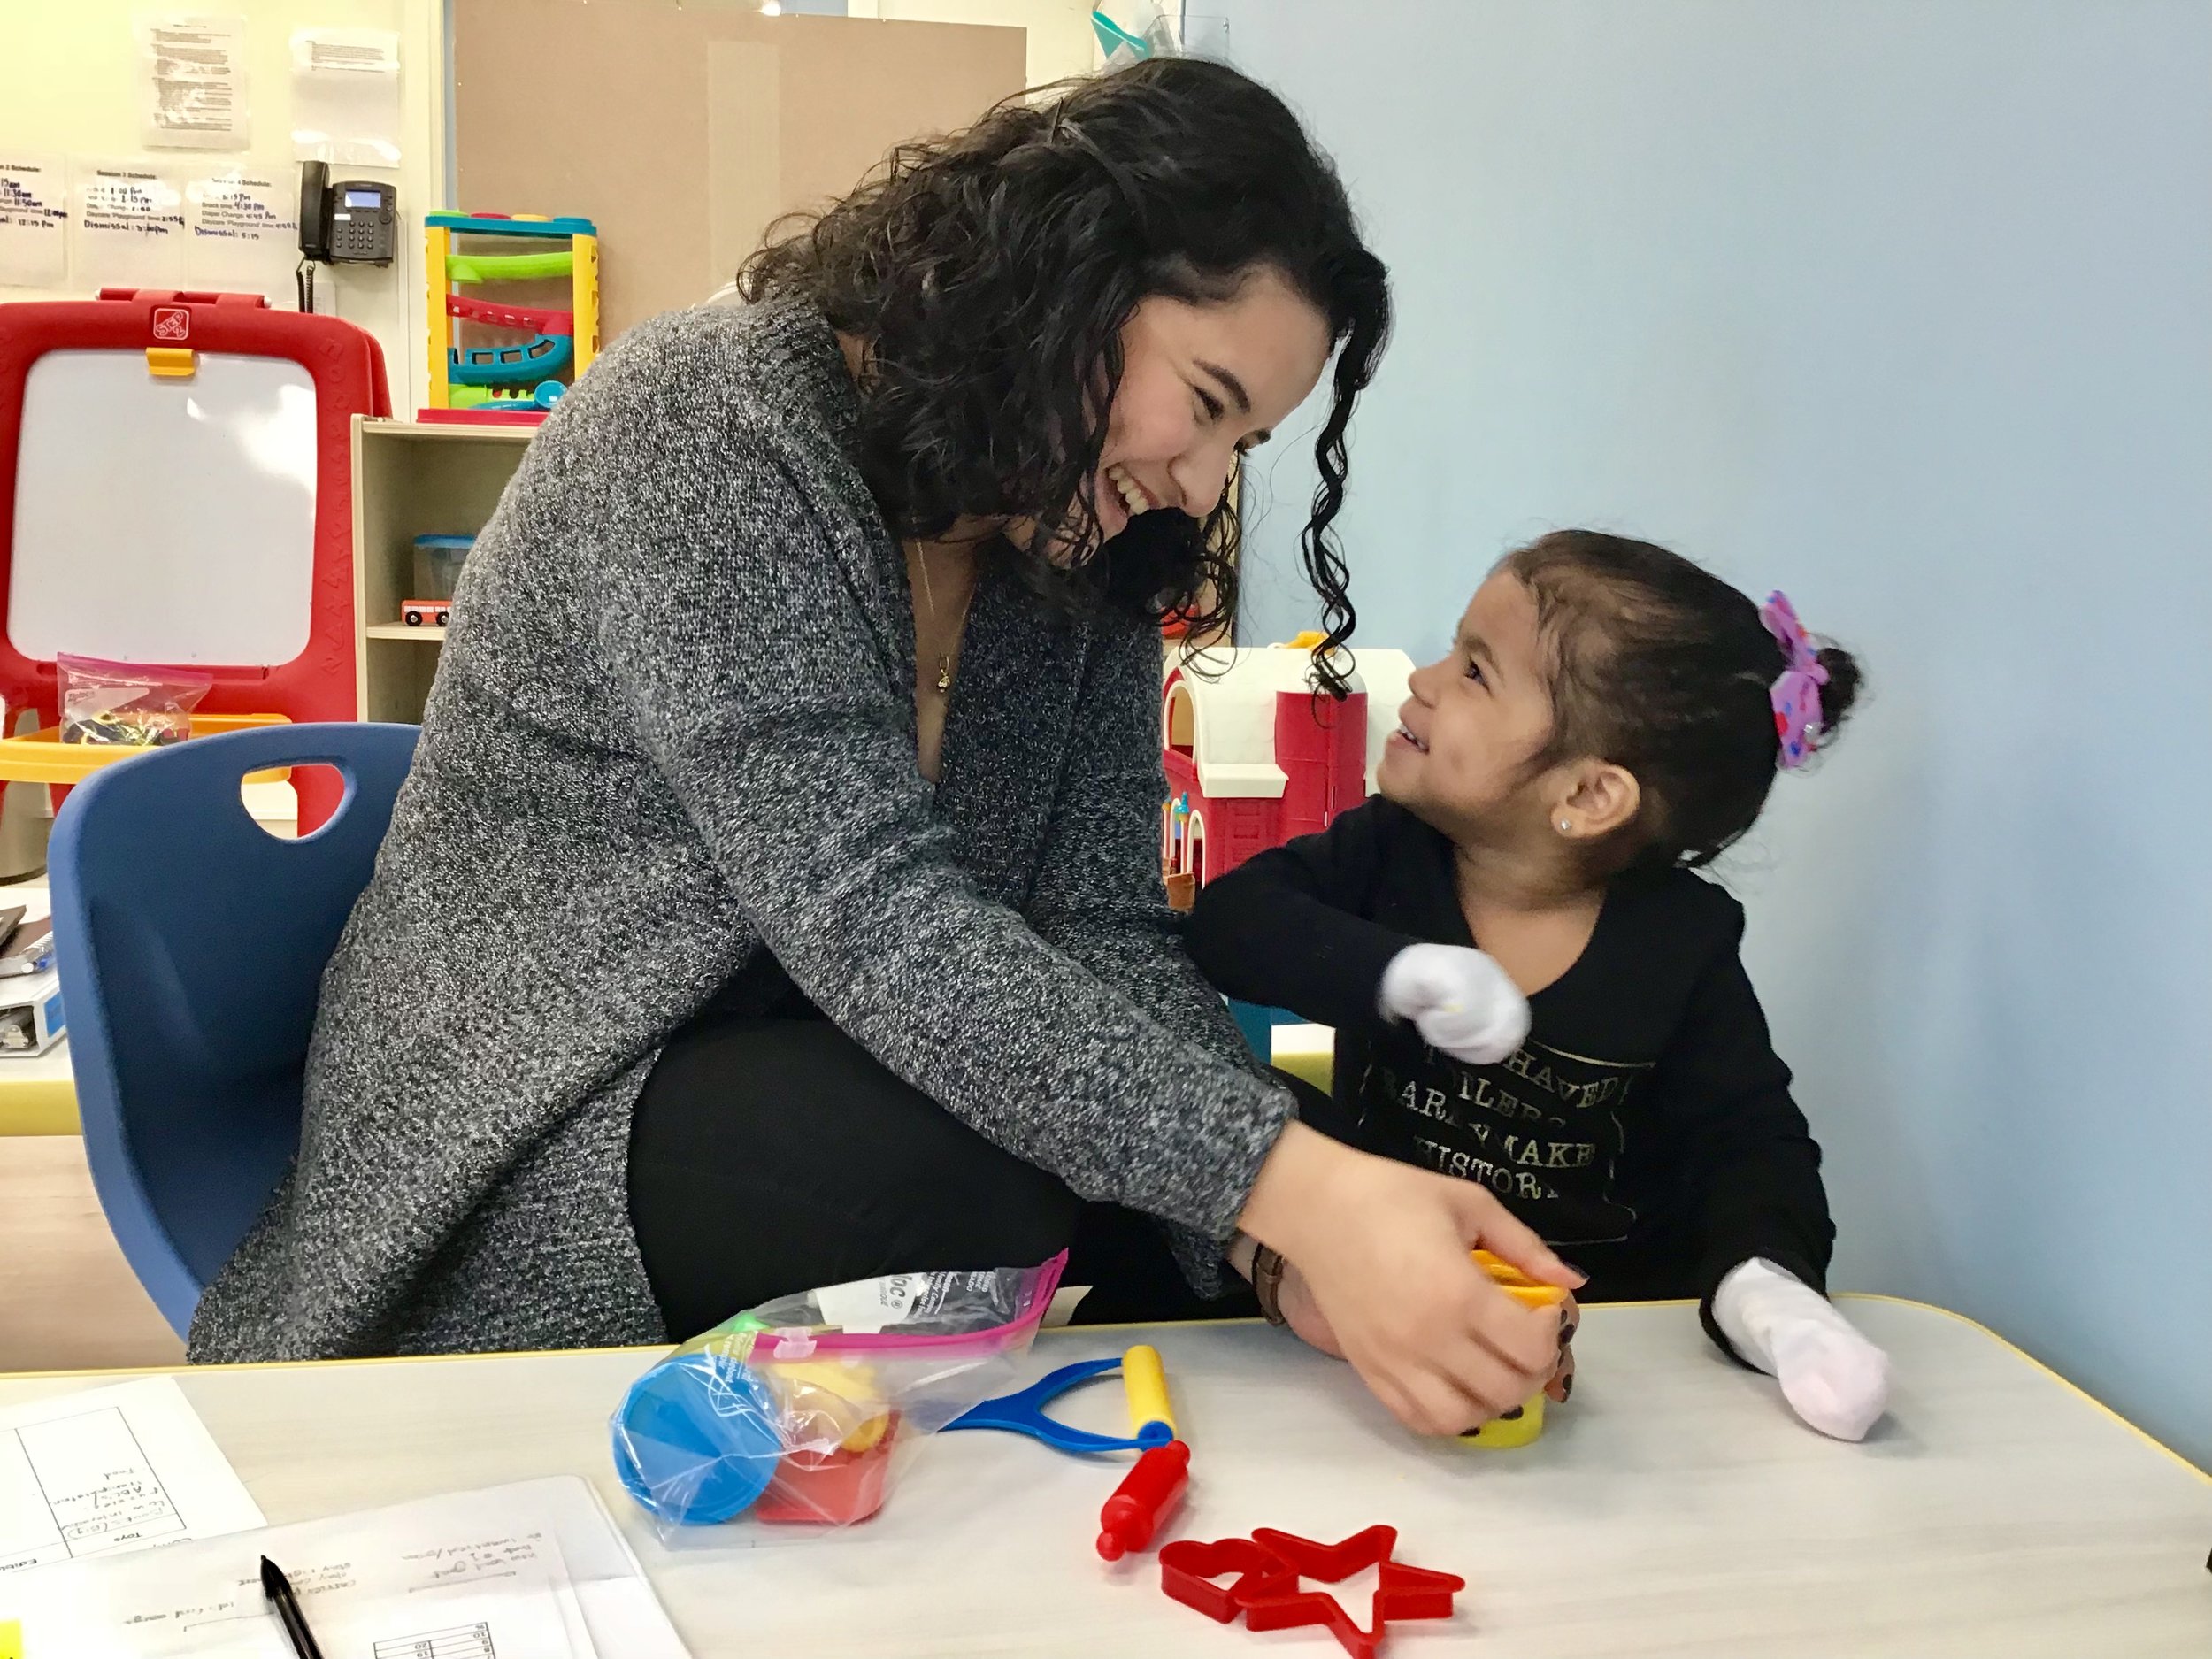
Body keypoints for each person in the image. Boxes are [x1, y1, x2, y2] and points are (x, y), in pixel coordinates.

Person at [186, 58, 1579, 1441]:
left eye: (1246, 441)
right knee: (992, 1186)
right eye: (1205, 402)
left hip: (822, 1049)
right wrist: (1287, 1187)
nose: (1204, 483)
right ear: (1065, 282)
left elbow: (1098, 928)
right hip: (542, 1100)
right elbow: (878, 917)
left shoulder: (1078, 544)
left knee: (1244, 1159)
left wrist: (1281, 1237)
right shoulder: (704, 422)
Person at [1189, 531, 1892, 1440]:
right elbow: (1231, 923)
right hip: (1390, 1293)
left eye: (1476, 672)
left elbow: (1751, 1138)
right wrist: (1391, 969)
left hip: (1609, 1341)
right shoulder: (1390, 853)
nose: (1424, 681)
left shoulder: (1677, 940)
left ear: (1589, 796)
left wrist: (1767, 1289)